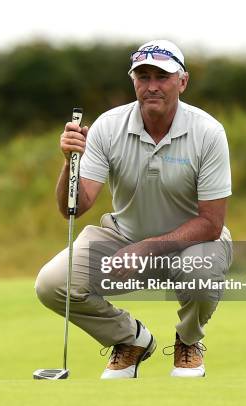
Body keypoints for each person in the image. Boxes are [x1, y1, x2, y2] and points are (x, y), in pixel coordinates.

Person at [35, 39, 233, 379]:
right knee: (52, 284)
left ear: (182, 81)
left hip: (192, 243)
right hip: (122, 238)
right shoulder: (108, 126)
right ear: (133, 81)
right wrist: (70, 163)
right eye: (143, 76)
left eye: (162, 76)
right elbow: (75, 208)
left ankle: (188, 342)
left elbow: (211, 223)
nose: (152, 86)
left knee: (201, 271)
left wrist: (147, 248)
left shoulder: (208, 132)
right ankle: (130, 340)